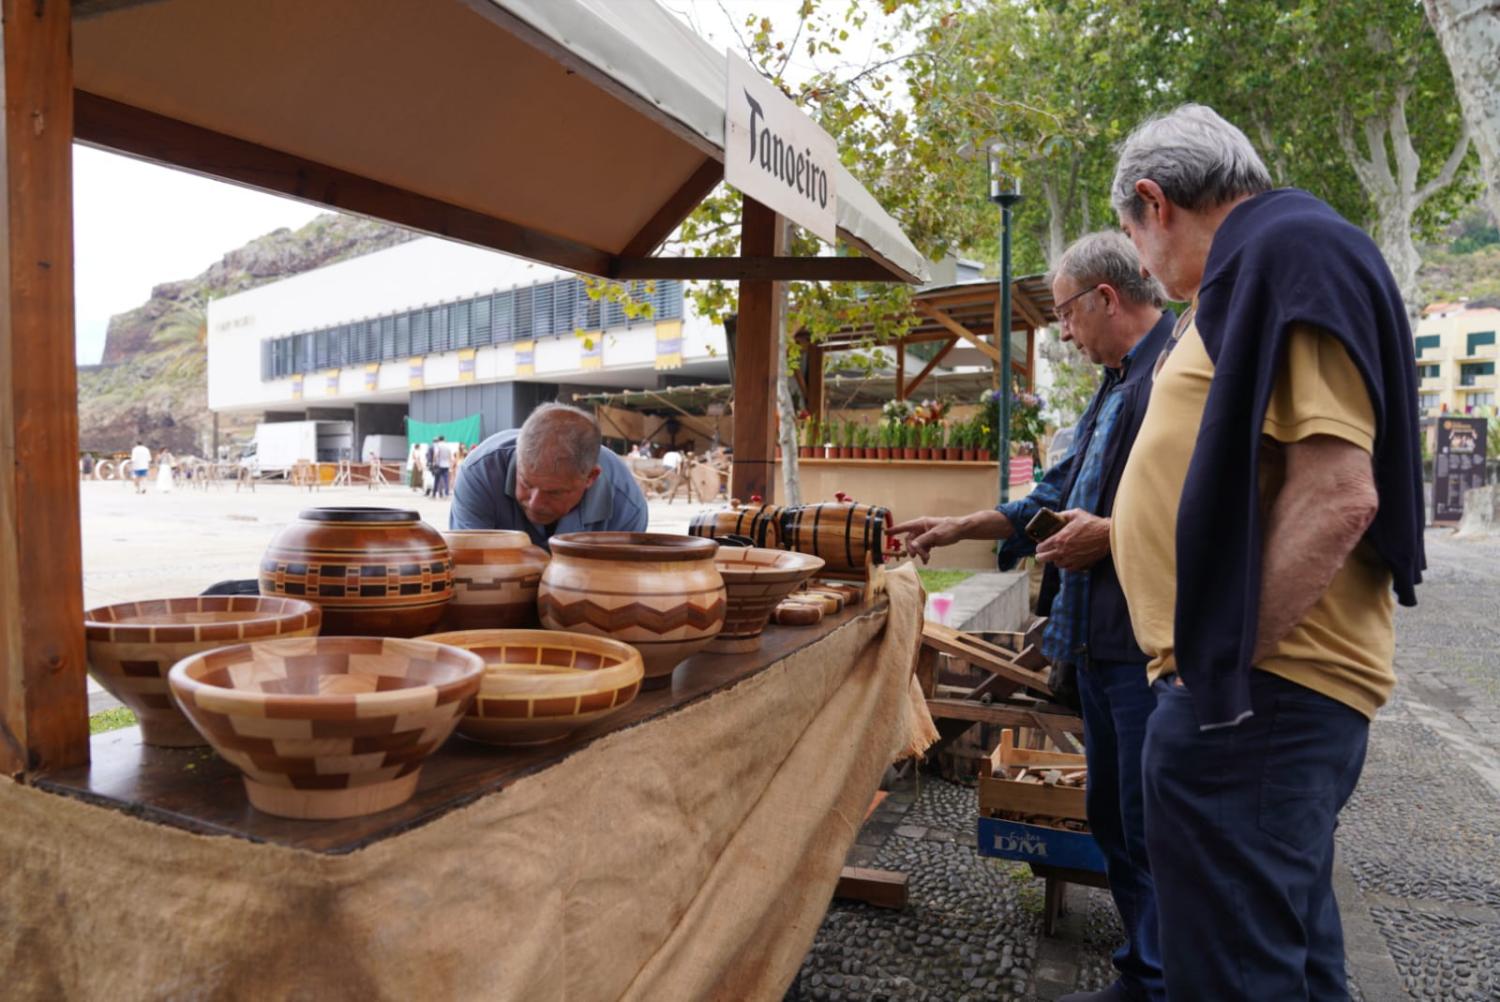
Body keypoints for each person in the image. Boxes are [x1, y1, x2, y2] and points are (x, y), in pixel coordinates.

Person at [1108, 104, 1424, 1000]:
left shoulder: (1291, 249)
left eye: (1133, 239)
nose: (1142, 265)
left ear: (1153, 202)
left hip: (1259, 695)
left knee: (1235, 978)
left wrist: (1211, 673)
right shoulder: (1270, 258)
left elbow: (1338, 492)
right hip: (1264, 696)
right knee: (1284, 965)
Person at [890, 231, 1174, 1002]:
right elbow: (1046, 502)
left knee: (1152, 829)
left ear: (1105, 298)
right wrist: (955, 529)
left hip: (1146, 647)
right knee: (1115, 820)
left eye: (1067, 313)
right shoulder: (1115, 385)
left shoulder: (1179, 375)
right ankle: (1141, 976)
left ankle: (1159, 979)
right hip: (1094, 642)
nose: (1064, 331)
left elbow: (1217, 510)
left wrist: (1113, 536)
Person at [450, 402, 648, 546]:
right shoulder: (479, 474)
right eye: (526, 484)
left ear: (590, 477)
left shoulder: (626, 505)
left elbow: (618, 589)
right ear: (518, 460)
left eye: (554, 493)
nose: (535, 503)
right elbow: (470, 567)